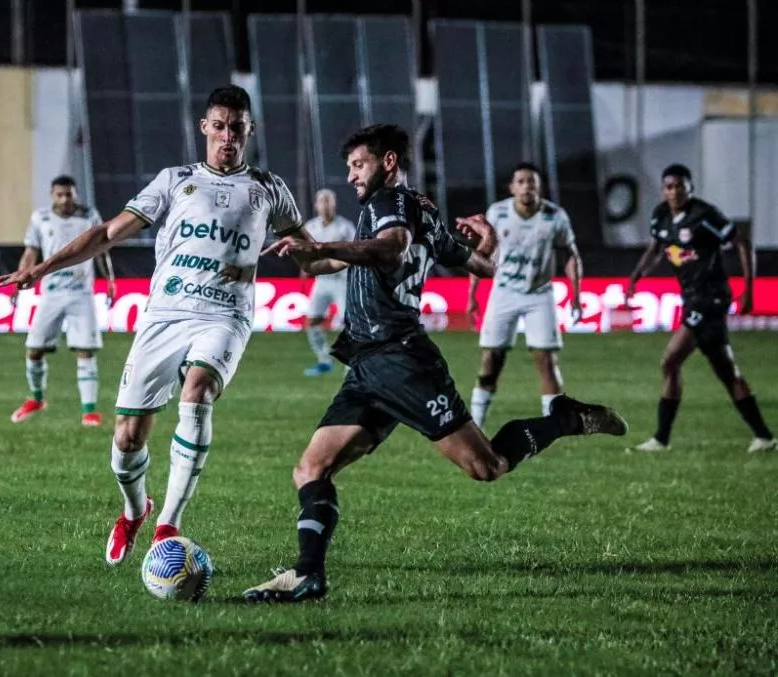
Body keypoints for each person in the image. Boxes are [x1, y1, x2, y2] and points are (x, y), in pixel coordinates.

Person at [241, 124, 627, 603]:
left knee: (487, 466)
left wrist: (321, 246)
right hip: (367, 364)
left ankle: (565, 418)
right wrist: (488, 241)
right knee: (310, 469)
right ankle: (307, 575)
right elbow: (482, 267)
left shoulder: (389, 205)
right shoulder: (420, 209)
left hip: (403, 361)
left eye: (358, 165)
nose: (351, 177)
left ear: (387, 162)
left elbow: (392, 247)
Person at [0, 85, 305, 564]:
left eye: (237, 129)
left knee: (198, 392)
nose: (228, 137)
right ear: (204, 127)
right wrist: (41, 268)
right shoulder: (175, 181)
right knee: (127, 437)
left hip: (225, 315)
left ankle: (167, 528)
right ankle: (136, 510)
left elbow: (314, 255)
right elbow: (107, 232)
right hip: (164, 315)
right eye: (220, 127)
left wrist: (359, 252)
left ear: (250, 131)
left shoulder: (269, 189)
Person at [625, 164, 775, 454]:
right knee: (724, 370)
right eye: (669, 187)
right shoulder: (661, 215)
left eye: (680, 186)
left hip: (710, 298)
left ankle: (661, 439)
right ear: (663, 190)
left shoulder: (704, 215)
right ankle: (763, 436)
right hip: (692, 298)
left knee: (671, 361)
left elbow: (742, 242)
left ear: (690, 188)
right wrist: (636, 276)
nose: (675, 192)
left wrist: (749, 289)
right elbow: (656, 248)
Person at [467, 163, 583, 429]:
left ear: (540, 187)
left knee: (546, 361)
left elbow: (571, 256)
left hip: (539, 294)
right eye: (521, 181)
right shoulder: (497, 213)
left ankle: (551, 428)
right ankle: (476, 428)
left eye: (532, 181)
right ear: (512, 187)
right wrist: (472, 295)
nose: (527, 186)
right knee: (491, 360)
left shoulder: (555, 216)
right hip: (503, 292)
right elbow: (481, 255)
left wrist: (576, 294)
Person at [9, 175, 111, 428]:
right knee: (34, 349)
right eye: (60, 195)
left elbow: (101, 250)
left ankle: (89, 411)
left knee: (85, 350)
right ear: (52, 195)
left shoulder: (89, 216)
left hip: (81, 294)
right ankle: (36, 399)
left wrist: (110, 281)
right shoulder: (40, 218)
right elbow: (31, 252)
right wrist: (19, 281)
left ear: (76, 194)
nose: (65, 199)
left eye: (69, 194)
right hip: (51, 294)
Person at [301, 188, 356, 376]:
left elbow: (356, 251)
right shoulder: (311, 227)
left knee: (348, 324)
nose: (325, 206)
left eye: (328, 202)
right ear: (316, 205)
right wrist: (304, 268)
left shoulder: (345, 227)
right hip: (321, 280)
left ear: (334, 205)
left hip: (342, 280)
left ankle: (351, 365)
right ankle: (324, 360)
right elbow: (305, 252)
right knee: (312, 321)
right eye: (322, 202)